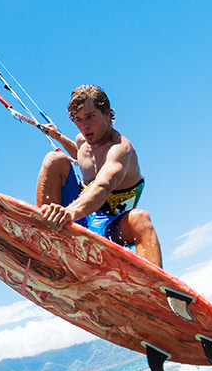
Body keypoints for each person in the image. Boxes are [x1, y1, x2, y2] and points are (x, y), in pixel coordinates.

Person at [35, 85, 162, 267]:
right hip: (80, 221)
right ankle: (49, 236)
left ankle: (155, 288)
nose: (84, 126)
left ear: (108, 114)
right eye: (77, 119)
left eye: (90, 117)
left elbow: (103, 186)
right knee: (54, 159)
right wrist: (59, 138)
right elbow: (83, 156)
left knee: (140, 218)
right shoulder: (82, 142)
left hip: (111, 229)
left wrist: (69, 212)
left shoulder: (120, 150)